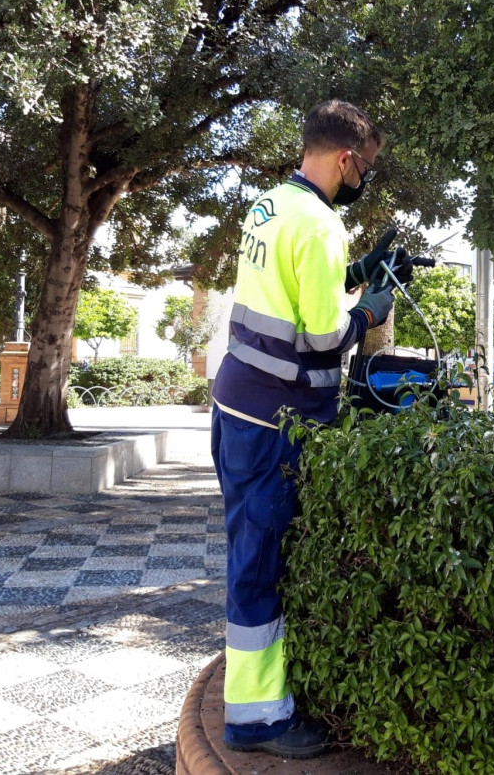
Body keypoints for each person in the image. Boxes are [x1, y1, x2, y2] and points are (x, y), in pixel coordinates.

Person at [210, 100, 397, 759]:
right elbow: (321, 336)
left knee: (251, 556)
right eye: (365, 166)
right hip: (273, 419)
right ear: (346, 158)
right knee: (257, 566)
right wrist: (368, 310)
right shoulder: (321, 225)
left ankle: (262, 700)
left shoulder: (268, 206)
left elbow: (291, 293)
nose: (363, 177)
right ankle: (257, 721)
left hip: (238, 405)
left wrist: (350, 277)